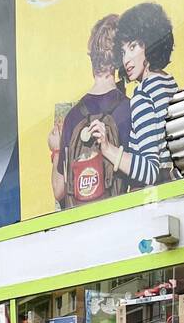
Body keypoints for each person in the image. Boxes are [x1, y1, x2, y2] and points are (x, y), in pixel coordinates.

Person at [88, 3, 178, 190]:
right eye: (123, 52)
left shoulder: (142, 95)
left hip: (156, 201)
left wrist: (107, 148)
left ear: (151, 43)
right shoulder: (169, 84)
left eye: (133, 46)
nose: (126, 59)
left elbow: (150, 171)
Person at [49, 14, 131, 208]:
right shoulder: (127, 109)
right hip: (117, 223)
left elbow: (59, 190)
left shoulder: (72, 117)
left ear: (92, 60)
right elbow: (137, 183)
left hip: (83, 229)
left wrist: (56, 151)